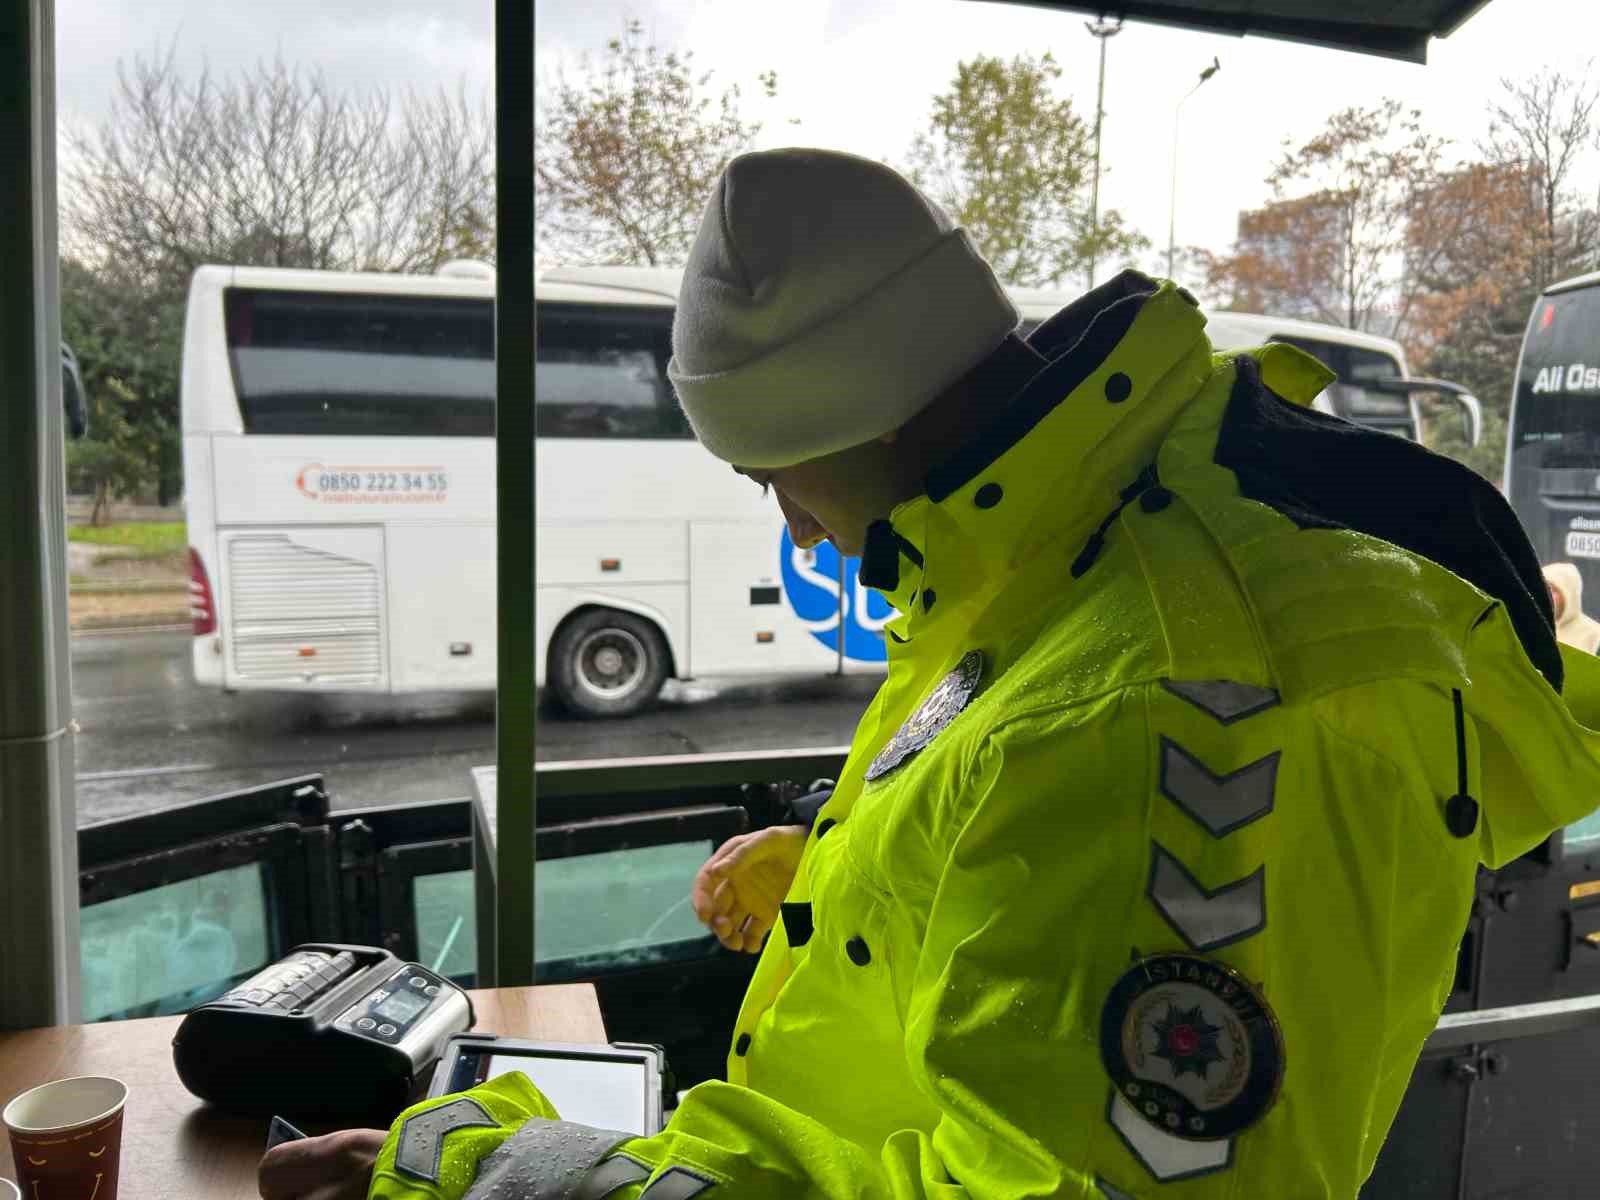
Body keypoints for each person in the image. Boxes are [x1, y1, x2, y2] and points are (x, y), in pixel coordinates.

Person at [261, 148, 1600, 1200]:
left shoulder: (1150, 701)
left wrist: (472, 1172)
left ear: (840, 419)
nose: (788, 522)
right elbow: (1026, 849)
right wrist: (865, 878)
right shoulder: (1059, 552)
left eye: (770, 473)